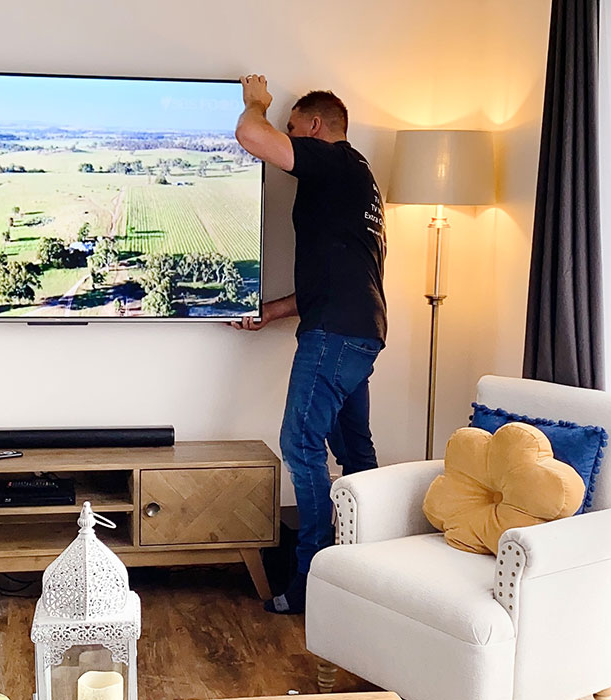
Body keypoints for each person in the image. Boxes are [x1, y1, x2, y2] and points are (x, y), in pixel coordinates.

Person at [231, 74, 387, 615]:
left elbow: (251, 135)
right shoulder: (357, 178)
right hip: (360, 330)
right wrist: (270, 311)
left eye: (294, 130)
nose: (289, 138)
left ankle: (311, 582)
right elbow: (333, 277)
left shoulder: (333, 160)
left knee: (299, 444)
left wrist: (258, 104)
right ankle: (366, 574)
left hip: (337, 334)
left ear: (315, 128)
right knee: (354, 452)